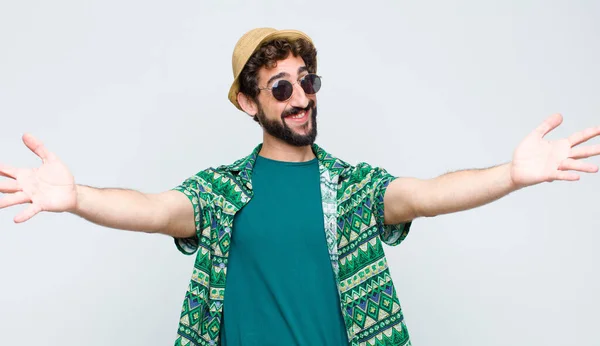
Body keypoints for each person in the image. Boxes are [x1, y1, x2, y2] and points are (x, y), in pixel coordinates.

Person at [1, 27, 599, 346]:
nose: (300, 97)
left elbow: (428, 194)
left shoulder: (352, 188)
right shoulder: (222, 192)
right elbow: (154, 209)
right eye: (280, 87)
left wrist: (512, 175)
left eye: (306, 81)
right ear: (247, 101)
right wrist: (76, 200)